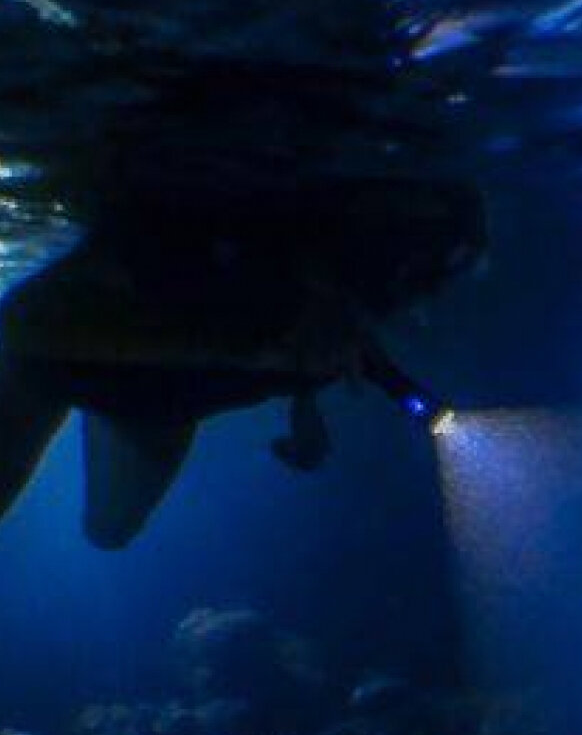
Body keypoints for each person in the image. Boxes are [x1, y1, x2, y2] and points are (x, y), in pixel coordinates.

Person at [0, 173, 482, 547]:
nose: (410, 297)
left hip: (155, 403)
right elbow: (29, 323)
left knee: (110, 530)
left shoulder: (335, 332)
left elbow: (351, 362)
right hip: (52, 372)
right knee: (106, 524)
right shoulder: (214, 246)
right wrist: (255, 355)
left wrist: (303, 405)